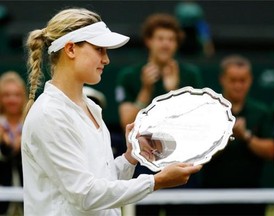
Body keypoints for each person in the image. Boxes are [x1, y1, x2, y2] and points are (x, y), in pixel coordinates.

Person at [21, 7, 202, 216]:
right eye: (99, 49)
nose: (106, 59)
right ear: (70, 49)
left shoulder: (90, 107)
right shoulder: (49, 114)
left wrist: (131, 157)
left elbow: (101, 181)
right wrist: (156, 181)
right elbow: (86, 194)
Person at [199, 55, 274, 215]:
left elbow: (271, 151)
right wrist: (227, 136)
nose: (238, 86)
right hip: (211, 197)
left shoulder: (261, 112)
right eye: (233, 80)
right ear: (222, 79)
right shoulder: (208, 111)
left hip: (252, 197)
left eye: (243, 80)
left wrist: (247, 136)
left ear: (250, 80)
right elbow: (201, 155)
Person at [116, 13, 203, 131]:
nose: (166, 44)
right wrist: (146, 90)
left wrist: (174, 91)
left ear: (177, 44)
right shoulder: (129, 75)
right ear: (148, 41)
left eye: (171, 39)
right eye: (160, 39)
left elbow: (195, 123)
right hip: (141, 146)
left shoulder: (191, 74)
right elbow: (127, 123)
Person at [0, 71, 26, 215]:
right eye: (7, 95)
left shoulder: (32, 122)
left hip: (29, 199)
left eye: (16, 95)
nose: (12, 99)